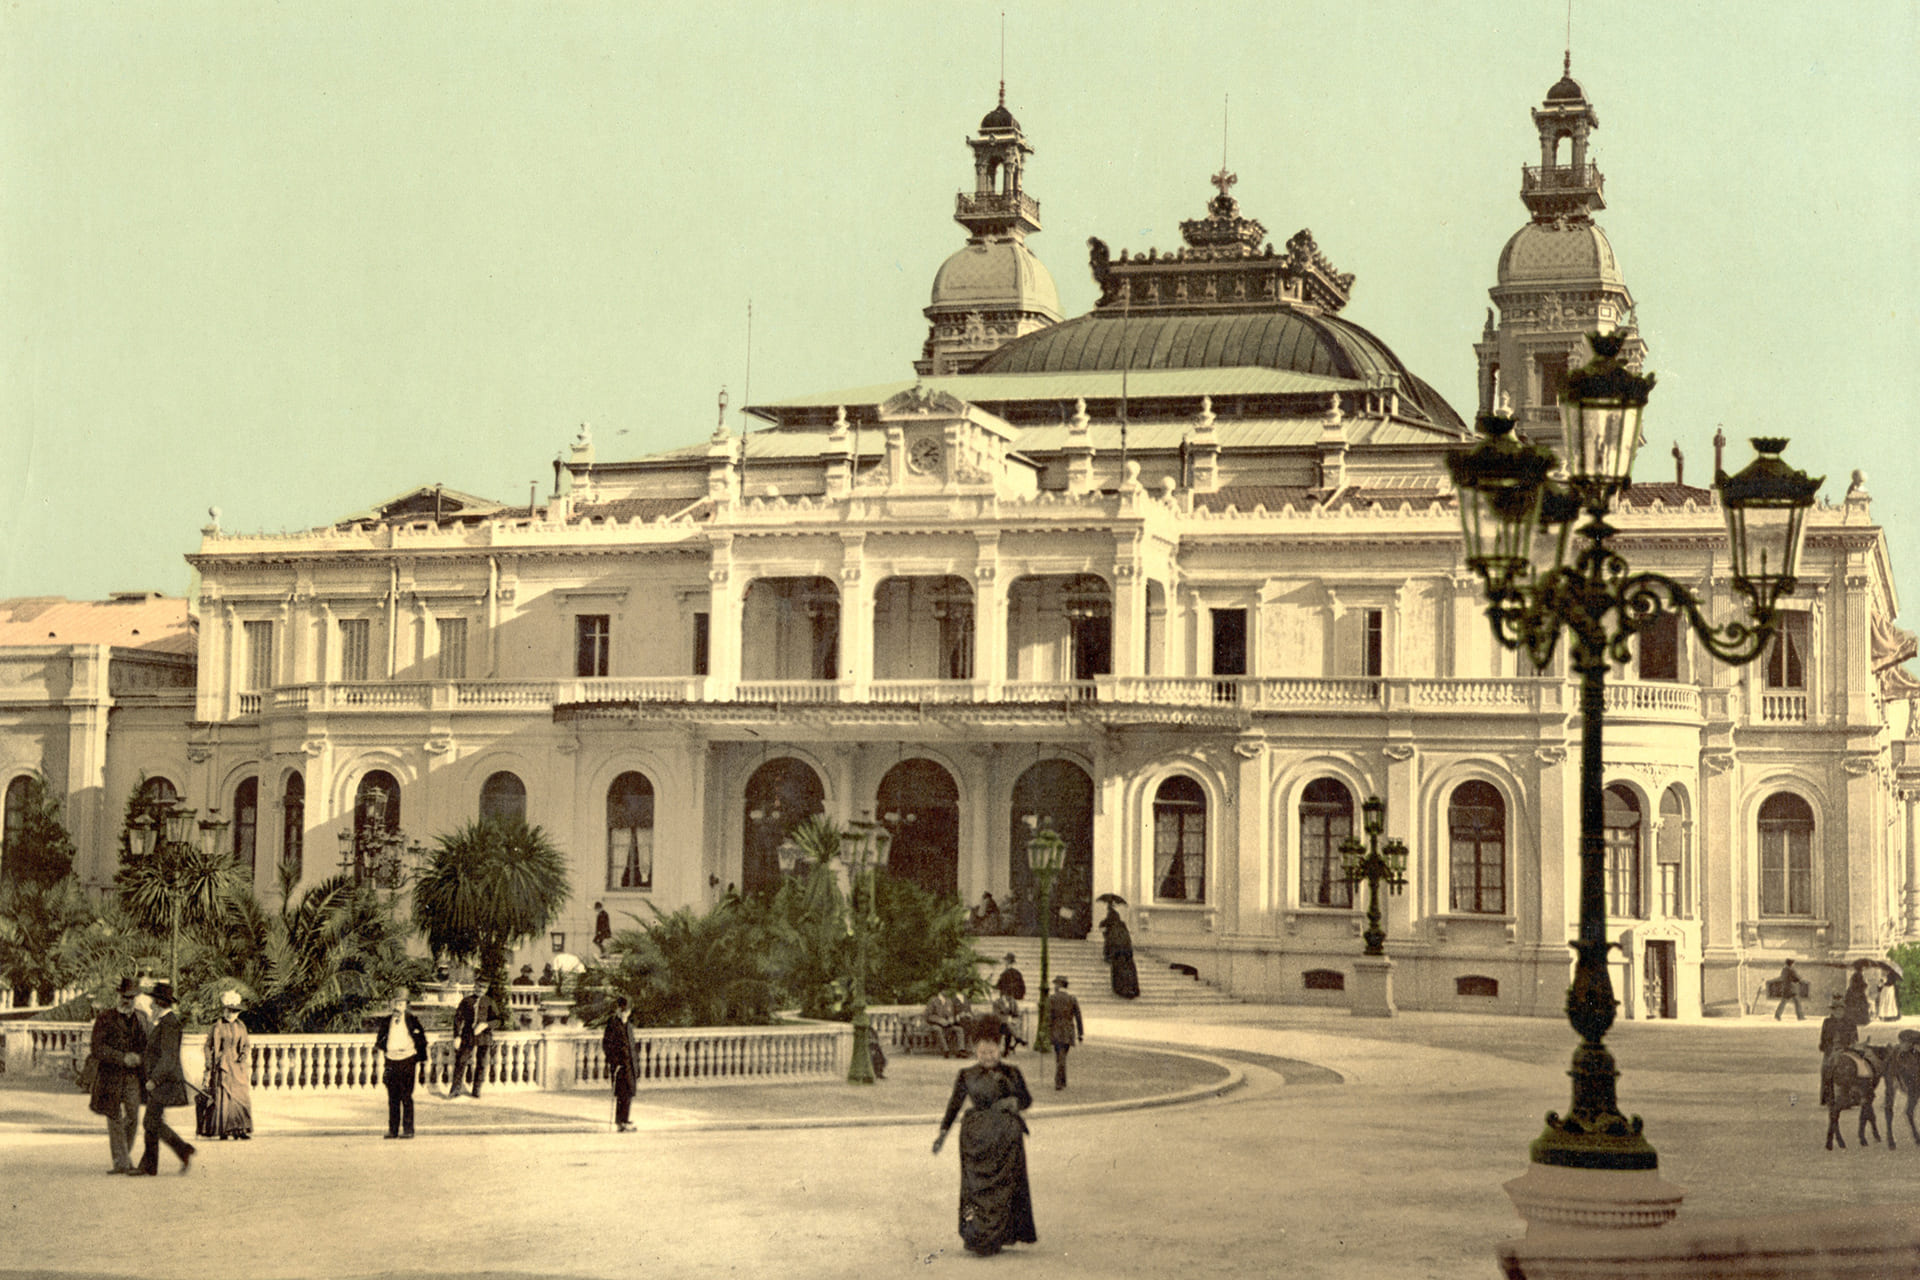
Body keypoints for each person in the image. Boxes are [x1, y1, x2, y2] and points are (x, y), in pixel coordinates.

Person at [931, 1017, 1037, 1257]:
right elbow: (954, 1105)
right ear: (975, 1052)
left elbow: (1026, 1100)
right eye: (982, 1052)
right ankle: (978, 1235)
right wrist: (942, 1134)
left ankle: (1001, 1235)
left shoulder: (1012, 1072)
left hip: (1006, 1140)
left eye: (992, 1052)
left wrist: (1014, 1101)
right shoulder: (966, 1075)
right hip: (976, 1140)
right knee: (975, 1188)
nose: (987, 1057)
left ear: (999, 1050)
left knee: (1005, 1188)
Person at [87, 977, 146, 1174]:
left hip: (132, 1076)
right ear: (118, 995)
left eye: (131, 997)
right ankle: (122, 1161)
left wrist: (139, 1058)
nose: (127, 1000)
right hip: (110, 1076)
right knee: (114, 1117)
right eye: (124, 996)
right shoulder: (105, 1018)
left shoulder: (141, 1018)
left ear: (135, 998)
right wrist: (122, 1058)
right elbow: (97, 1048)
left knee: (133, 1116)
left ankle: (123, 1156)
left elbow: (147, 1045)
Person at [135, 982, 195, 1176]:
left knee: (150, 1121)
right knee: (152, 1121)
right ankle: (154, 1164)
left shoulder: (169, 1023)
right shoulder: (165, 1022)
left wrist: (155, 1079)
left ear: (159, 1003)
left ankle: (178, 1151)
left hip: (164, 1082)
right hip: (162, 1081)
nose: (150, 1005)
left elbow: (168, 1057)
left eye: (153, 1002)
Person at [373, 993, 428, 1138]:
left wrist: (420, 1058)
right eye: (396, 1003)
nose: (398, 1007)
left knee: (406, 1096)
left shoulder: (412, 1020)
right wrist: (386, 1049)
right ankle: (393, 1130)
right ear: (392, 1005)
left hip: (407, 1060)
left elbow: (422, 1040)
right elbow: (380, 1039)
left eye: (401, 1004)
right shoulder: (386, 1021)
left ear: (405, 1006)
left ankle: (408, 1130)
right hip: (391, 1060)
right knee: (393, 1097)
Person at [202, 991, 252, 1140]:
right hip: (222, 1064)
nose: (231, 1014)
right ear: (224, 1010)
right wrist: (210, 1062)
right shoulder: (217, 1026)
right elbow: (208, 1046)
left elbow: (246, 1044)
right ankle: (223, 1130)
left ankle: (240, 1129)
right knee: (224, 1097)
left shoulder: (241, 1026)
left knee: (240, 1096)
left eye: (235, 1011)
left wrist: (243, 1055)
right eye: (229, 1010)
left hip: (237, 1065)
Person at [449, 982, 498, 1099]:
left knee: (482, 1063)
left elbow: (497, 1020)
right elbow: (458, 1019)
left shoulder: (489, 1002)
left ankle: (477, 1089)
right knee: (461, 1061)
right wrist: (457, 1036)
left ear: (486, 989)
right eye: (479, 986)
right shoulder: (466, 1001)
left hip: (484, 1035)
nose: (481, 989)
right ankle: (455, 1089)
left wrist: (486, 1025)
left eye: (484, 987)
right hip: (468, 1035)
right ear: (475, 987)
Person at [604, 995, 638, 1132]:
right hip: (620, 1065)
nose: (625, 1013)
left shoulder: (628, 1025)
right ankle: (620, 1120)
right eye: (623, 1010)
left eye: (627, 1011)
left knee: (629, 1093)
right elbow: (607, 1045)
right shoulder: (613, 1025)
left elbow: (632, 1045)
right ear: (618, 1010)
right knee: (622, 1093)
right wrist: (614, 1061)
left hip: (630, 1065)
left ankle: (625, 1119)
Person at [1820, 993, 1858, 1107]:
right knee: (1827, 1068)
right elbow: (1823, 1039)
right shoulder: (1827, 1022)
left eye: (1840, 1010)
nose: (1838, 1012)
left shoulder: (1850, 1022)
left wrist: (1848, 1047)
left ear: (1844, 1010)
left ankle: (1853, 1097)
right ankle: (1829, 1097)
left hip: (1847, 1049)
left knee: (1856, 1067)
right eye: (1835, 1010)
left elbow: (1855, 1038)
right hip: (1831, 1049)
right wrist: (1829, 1049)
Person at [1047, 976, 1084, 1091]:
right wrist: (1080, 1033)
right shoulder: (1072, 999)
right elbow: (1078, 1016)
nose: (1054, 987)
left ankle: (1059, 1081)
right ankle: (1063, 1080)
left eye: (1055, 984)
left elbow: (1048, 1017)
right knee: (1062, 1055)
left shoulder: (1052, 998)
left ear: (1059, 985)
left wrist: (1047, 1031)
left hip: (1056, 1030)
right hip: (1068, 1031)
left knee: (1060, 1055)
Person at [1100, 903, 1141, 999]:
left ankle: (1122, 990)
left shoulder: (1112, 928)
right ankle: (1132, 989)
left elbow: (1109, 942)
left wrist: (1107, 955)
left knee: (1119, 972)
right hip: (1127, 952)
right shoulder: (1122, 925)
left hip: (1118, 954)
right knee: (1129, 971)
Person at [994, 954, 1027, 1054]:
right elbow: (1022, 989)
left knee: (1010, 1023)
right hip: (1011, 1003)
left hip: (1008, 1003)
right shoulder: (1017, 973)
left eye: (1006, 961)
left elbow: (998, 986)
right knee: (1011, 1023)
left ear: (1008, 962)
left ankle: (1014, 1042)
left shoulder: (1005, 974)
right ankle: (1017, 1039)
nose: (1005, 963)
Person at [926, 987, 966, 1058]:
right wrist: (940, 1020)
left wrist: (951, 1019)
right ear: (939, 993)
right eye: (944, 991)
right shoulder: (933, 1001)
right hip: (934, 1024)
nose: (946, 993)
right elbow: (928, 1016)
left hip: (947, 1025)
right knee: (938, 1029)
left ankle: (961, 1050)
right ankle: (946, 1050)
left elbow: (951, 1014)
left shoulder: (949, 1002)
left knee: (959, 1029)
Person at [1844, 961, 1873, 1028]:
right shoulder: (1859, 975)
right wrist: (1866, 984)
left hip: (1853, 993)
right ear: (1861, 969)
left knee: (1855, 1007)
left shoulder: (1855, 975)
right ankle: (1859, 1021)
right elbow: (1860, 985)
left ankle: (1855, 1020)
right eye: (1863, 969)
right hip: (1857, 993)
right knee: (1860, 1006)